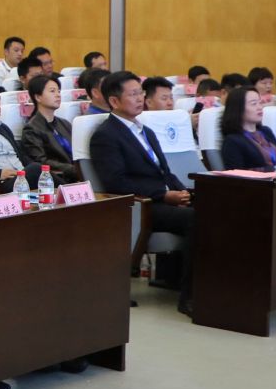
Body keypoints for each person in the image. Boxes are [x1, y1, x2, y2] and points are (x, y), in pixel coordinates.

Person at [89, 72, 193, 311]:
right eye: (133, 94)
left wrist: (183, 192)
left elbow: (165, 173)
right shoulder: (106, 136)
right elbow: (116, 183)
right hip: (141, 205)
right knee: (195, 218)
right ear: (114, 101)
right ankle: (190, 297)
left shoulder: (146, 131)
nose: (140, 99)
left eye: (141, 93)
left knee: (216, 207)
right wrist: (163, 195)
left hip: (163, 200)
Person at [14, 73, 79, 184]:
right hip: (58, 178)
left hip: (77, 174)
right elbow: (40, 161)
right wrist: (72, 169)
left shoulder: (65, 124)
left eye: (59, 91)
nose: (58, 95)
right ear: (38, 97)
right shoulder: (31, 129)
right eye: (52, 91)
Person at [219, 86, 276, 171]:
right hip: (260, 179)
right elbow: (235, 174)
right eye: (254, 104)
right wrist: (273, 169)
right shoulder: (232, 141)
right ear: (238, 108)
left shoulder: (266, 131)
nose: (260, 107)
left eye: (260, 103)